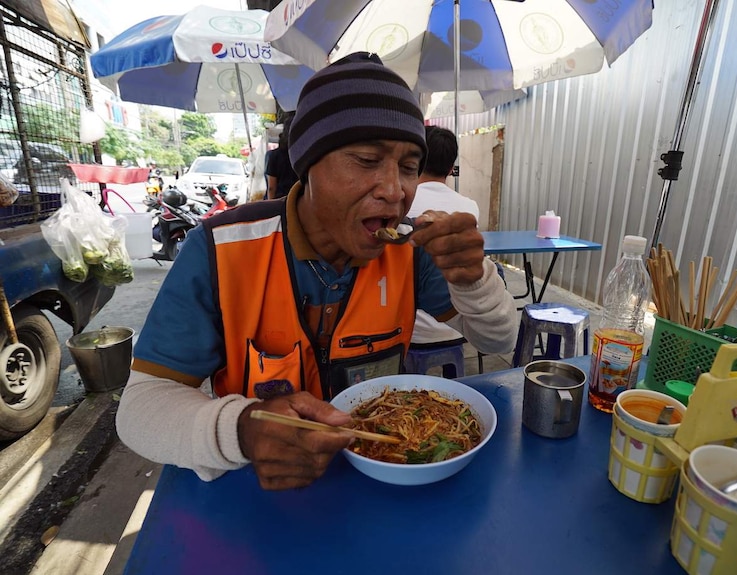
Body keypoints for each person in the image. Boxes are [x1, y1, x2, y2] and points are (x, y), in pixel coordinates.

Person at [116, 52, 518, 491]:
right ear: (308, 165)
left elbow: (500, 340)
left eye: (407, 168)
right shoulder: (220, 249)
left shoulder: (410, 248)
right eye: (366, 159)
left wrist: (473, 281)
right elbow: (139, 409)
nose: (394, 191)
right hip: (260, 489)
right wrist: (238, 430)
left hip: (382, 474)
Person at [407, 125, 481, 346]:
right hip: (459, 326)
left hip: (410, 330)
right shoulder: (469, 208)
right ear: (451, 168)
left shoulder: (402, 205)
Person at [264, 114, 299, 200]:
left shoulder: (273, 156)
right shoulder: (302, 155)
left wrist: (271, 208)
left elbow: (271, 187)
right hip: (297, 200)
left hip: (279, 201)